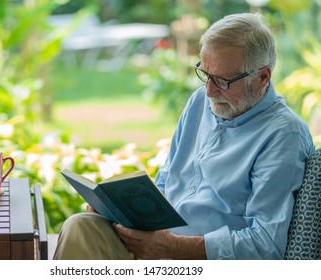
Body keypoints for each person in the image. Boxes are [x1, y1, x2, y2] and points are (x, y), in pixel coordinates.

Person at [53, 12, 315, 260]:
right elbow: (167, 181)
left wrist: (171, 247)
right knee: (82, 225)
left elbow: (265, 244)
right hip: (159, 244)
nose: (210, 91)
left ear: (262, 77)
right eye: (205, 74)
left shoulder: (283, 135)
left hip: (200, 260)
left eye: (223, 81)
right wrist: (120, 210)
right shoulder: (199, 102)